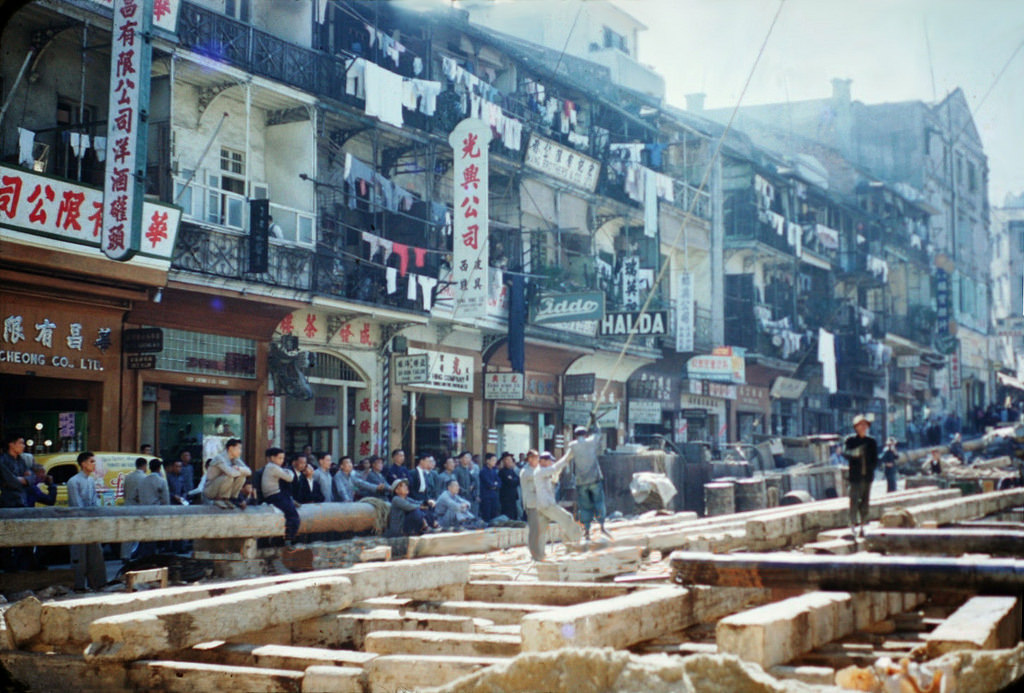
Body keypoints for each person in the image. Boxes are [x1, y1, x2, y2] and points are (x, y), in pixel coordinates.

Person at [67, 452, 106, 591]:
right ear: (83, 463)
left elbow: (94, 501)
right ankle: (78, 585)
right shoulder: (73, 481)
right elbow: (76, 504)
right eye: (91, 461)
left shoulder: (90, 480)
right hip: (79, 523)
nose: (94, 464)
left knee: (95, 555)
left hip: (91, 522)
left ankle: (97, 584)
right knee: (79, 555)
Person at [565, 425, 610, 540]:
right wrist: (595, 422)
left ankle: (587, 531)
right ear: (586, 435)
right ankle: (602, 526)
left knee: (585, 507)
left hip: (581, 481)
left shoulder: (572, 446)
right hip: (594, 479)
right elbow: (598, 432)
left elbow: (566, 459)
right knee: (599, 503)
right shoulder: (591, 441)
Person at [535, 450, 583, 548]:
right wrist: (566, 458)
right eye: (550, 461)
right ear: (543, 461)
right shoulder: (540, 471)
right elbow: (555, 468)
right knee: (567, 518)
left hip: (542, 505)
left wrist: (559, 469)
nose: (551, 463)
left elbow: (554, 477)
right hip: (547, 505)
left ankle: (537, 552)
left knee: (541, 530)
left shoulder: (543, 472)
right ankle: (574, 543)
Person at [843, 414, 879, 538]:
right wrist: (855, 453)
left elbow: (875, 459)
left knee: (865, 501)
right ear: (856, 427)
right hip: (855, 477)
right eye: (861, 425)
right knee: (854, 500)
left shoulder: (871, 442)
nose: (863, 427)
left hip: (867, 477)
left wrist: (871, 469)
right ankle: (852, 524)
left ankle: (863, 525)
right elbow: (845, 453)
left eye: (865, 425)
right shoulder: (850, 440)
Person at [261, 447, 300, 546]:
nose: (282, 461)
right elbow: (290, 478)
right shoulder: (272, 467)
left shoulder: (273, 467)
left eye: (283, 458)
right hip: (275, 495)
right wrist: (290, 471)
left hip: (277, 494)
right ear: (272, 458)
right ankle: (288, 539)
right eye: (279, 458)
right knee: (294, 516)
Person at [203, 439, 252, 509]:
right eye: (239, 448)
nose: (240, 451)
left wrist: (238, 468)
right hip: (211, 490)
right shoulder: (219, 458)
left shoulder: (235, 459)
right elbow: (231, 473)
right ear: (231, 448)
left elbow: (249, 471)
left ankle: (231, 498)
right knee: (228, 477)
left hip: (224, 488)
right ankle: (219, 499)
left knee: (242, 477)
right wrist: (238, 471)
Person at [136, 459, 170, 558]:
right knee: (154, 535)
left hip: (142, 510)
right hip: (156, 511)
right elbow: (166, 499)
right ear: (159, 468)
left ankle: (143, 556)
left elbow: (137, 495)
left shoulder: (142, 480)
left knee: (144, 536)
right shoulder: (161, 481)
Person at [519, 449, 544, 561]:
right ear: (529, 459)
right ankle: (534, 553)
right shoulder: (526, 471)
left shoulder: (538, 469)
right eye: (535, 458)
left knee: (541, 528)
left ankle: (540, 551)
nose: (537, 460)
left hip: (541, 503)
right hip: (532, 503)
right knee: (534, 529)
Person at [0, 433, 30, 508]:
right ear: (12, 444)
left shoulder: (21, 461)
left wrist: (25, 480)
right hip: (8, 501)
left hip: (22, 499)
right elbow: (9, 480)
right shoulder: (3, 460)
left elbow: (31, 476)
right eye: (21, 443)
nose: (23, 446)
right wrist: (21, 481)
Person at [498, 452, 521, 520]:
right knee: (507, 515)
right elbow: (509, 482)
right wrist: (513, 480)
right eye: (508, 459)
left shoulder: (511, 470)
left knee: (514, 514)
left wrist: (513, 480)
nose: (510, 461)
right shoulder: (502, 472)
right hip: (506, 498)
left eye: (510, 459)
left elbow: (518, 480)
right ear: (504, 461)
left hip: (513, 497)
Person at [478, 453, 500, 522]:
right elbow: (489, 483)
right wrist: (494, 485)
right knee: (487, 516)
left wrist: (495, 485)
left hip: (494, 495)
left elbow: (499, 482)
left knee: (494, 515)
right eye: (493, 460)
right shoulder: (483, 471)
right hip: (486, 496)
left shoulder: (494, 471)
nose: (495, 462)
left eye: (495, 460)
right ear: (487, 461)